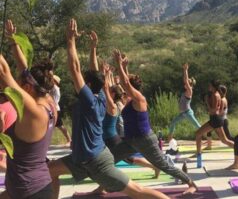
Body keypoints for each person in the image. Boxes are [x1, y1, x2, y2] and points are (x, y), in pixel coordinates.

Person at [48, 19, 169, 199]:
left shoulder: (89, 100)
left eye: (84, 81)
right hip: (80, 159)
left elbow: (75, 69)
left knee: (137, 191)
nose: (78, 82)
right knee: (50, 171)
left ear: (88, 85)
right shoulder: (101, 96)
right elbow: (96, 75)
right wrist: (93, 48)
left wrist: (70, 40)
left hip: (97, 161)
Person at [111, 49, 197, 195]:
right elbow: (127, 82)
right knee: (109, 158)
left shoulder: (139, 99)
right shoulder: (131, 99)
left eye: (127, 88)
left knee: (163, 165)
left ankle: (191, 183)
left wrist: (119, 64)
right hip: (131, 140)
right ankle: (105, 185)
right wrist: (125, 67)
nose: (123, 89)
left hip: (145, 140)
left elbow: (126, 83)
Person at [0, 19, 57, 199]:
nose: (17, 82)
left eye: (21, 83)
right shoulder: (50, 103)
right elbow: (24, 69)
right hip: (30, 187)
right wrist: (12, 41)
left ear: (28, 89)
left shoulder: (33, 112)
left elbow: (4, 73)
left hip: (29, 192)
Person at [195, 79, 234, 167]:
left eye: (210, 85)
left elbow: (214, 110)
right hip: (215, 119)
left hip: (215, 119)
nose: (208, 87)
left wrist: (207, 103)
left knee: (198, 133)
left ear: (213, 86)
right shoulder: (214, 94)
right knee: (225, 140)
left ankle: (198, 153)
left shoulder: (216, 95)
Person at [168, 63, 201, 142]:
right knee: (173, 123)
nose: (185, 84)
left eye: (187, 83)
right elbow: (185, 81)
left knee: (198, 126)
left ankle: (208, 138)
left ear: (190, 85)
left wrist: (185, 70)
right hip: (183, 114)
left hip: (188, 113)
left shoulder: (190, 91)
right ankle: (169, 140)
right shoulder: (186, 91)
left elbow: (186, 81)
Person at [50, 74, 72, 146]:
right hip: (52, 109)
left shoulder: (55, 89)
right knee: (51, 126)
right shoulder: (52, 88)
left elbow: (55, 101)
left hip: (55, 109)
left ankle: (69, 140)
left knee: (60, 126)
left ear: (55, 81)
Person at [0, 91, 17, 171]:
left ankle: (11, 171)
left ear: (3, 97)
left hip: (6, 134)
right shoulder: (14, 106)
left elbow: (1, 117)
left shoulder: (1, 106)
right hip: (16, 135)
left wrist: (2, 130)